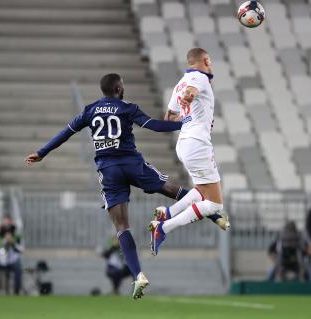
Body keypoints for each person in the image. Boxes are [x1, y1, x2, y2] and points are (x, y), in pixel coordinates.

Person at [25, 73, 225, 299]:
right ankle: (214, 214)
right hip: (132, 163)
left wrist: (42, 152)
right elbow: (154, 126)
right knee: (171, 190)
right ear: (119, 88)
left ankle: (138, 275)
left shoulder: (90, 110)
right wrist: (186, 122)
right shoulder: (127, 107)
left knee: (122, 227)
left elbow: (66, 132)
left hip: (109, 171)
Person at [149, 48, 230, 256]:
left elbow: (169, 117)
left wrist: (186, 110)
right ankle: (164, 227)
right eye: (209, 62)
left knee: (201, 192)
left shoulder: (179, 83)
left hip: (184, 143)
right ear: (206, 59)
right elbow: (192, 90)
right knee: (214, 204)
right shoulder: (198, 76)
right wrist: (189, 96)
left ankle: (168, 213)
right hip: (197, 143)